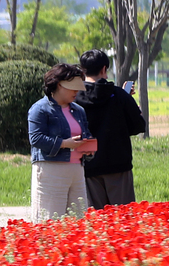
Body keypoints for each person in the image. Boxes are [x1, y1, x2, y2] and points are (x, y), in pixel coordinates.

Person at [76, 49, 145, 209]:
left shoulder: (74, 98)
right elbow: (138, 126)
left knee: (96, 221)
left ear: (82, 70)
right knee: (123, 219)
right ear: (104, 69)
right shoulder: (120, 95)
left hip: (88, 166)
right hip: (118, 164)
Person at [28, 64, 93, 221]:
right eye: (73, 88)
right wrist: (64, 143)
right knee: (50, 219)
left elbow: (86, 133)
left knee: (78, 220)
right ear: (59, 85)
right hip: (51, 169)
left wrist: (89, 148)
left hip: (77, 169)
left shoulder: (78, 110)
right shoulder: (40, 109)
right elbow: (35, 138)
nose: (76, 92)